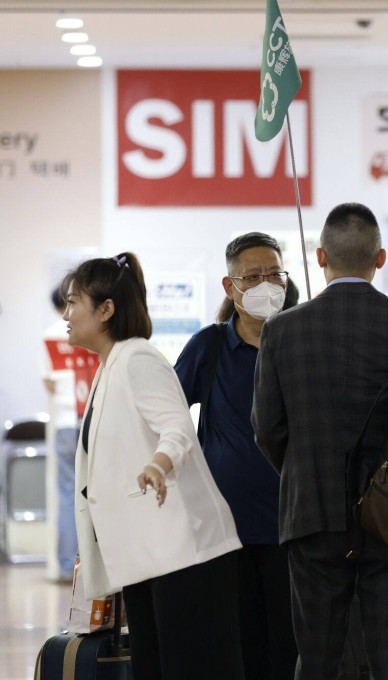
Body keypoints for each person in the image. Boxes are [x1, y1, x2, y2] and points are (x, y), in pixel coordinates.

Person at [252, 202, 388, 680]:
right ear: (380, 259)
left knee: (317, 656)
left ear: (320, 257)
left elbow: (267, 428)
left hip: (311, 513)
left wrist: (302, 472)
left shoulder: (281, 329)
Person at [65, 252, 243, 680]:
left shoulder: (138, 358)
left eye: (73, 302)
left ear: (106, 310)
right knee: (154, 667)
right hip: (148, 558)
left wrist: (158, 466)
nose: (66, 314)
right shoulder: (111, 366)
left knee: (189, 668)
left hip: (183, 555)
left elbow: (177, 428)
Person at [174, 232, 297, 680]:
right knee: (235, 648)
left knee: (290, 647)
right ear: (231, 287)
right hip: (225, 531)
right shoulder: (208, 347)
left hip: (295, 527)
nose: (267, 284)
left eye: (274, 274)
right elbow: (166, 416)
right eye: (253, 276)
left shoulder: (302, 344)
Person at [41, 283, 78, 581]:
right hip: (91, 421)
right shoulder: (86, 327)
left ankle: (68, 566)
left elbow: (50, 383)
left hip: (65, 422)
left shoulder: (51, 334)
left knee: (66, 495)